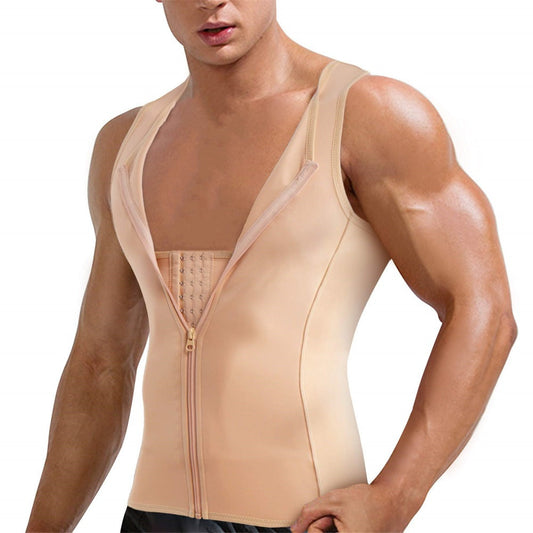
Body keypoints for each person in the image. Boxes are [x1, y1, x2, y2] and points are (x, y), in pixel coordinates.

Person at [26, 1, 518, 532]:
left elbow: (483, 310)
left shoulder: (366, 116)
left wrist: (397, 496)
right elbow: (100, 363)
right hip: (152, 520)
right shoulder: (125, 146)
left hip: (307, 519)